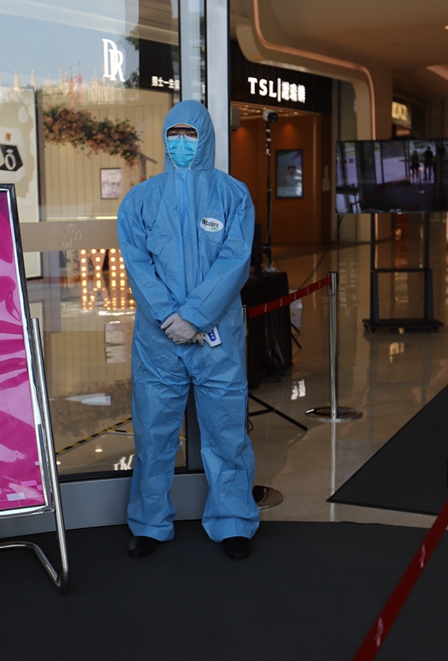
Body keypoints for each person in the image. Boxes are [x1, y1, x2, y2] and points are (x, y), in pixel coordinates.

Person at [117, 100, 259, 561]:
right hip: (159, 339)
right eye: (173, 134)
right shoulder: (140, 200)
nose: (181, 143)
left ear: (206, 138)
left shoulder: (233, 195)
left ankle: (233, 520)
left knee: (226, 432)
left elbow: (235, 261)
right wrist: (170, 318)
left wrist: (195, 317)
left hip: (215, 338)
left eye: (190, 134)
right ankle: (149, 522)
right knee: (153, 433)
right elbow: (137, 266)